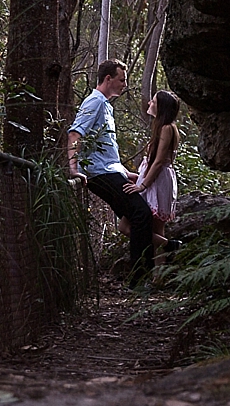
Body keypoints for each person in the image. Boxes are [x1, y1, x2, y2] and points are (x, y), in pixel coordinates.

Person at [67, 59, 155, 287]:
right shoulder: (94, 101)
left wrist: (126, 173)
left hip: (111, 170)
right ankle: (140, 278)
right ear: (108, 79)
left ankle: (148, 270)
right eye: (121, 79)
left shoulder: (106, 105)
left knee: (139, 214)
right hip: (98, 174)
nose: (125, 84)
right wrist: (74, 168)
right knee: (140, 213)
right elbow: (75, 134)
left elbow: (107, 148)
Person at [128, 90, 181, 268]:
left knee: (157, 228)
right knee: (127, 226)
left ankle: (159, 275)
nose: (150, 102)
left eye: (154, 101)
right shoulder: (161, 127)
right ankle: (168, 247)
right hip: (151, 178)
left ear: (161, 107)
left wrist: (143, 185)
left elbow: (158, 162)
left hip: (158, 181)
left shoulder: (167, 128)